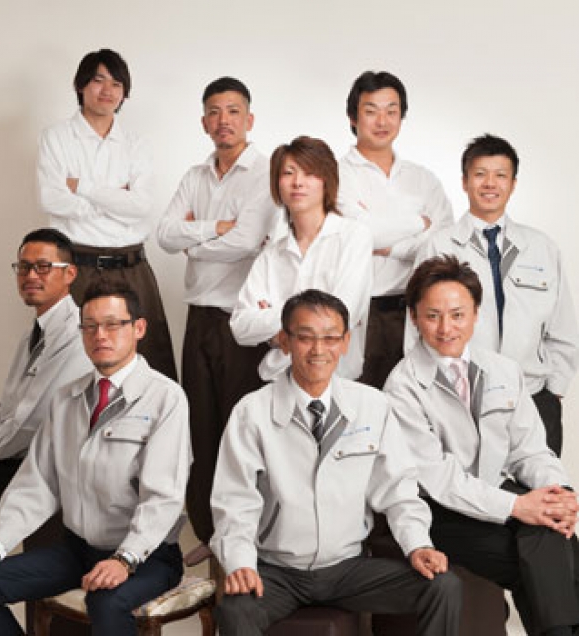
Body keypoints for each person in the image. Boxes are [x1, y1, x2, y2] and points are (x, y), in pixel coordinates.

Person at [211, 289, 461, 636]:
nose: (318, 349)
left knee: (442, 586)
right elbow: (234, 502)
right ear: (284, 341)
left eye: (330, 338)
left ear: (345, 343)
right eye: (305, 337)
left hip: (348, 569)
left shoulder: (372, 405)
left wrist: (418, 544)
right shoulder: (251, 412)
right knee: (235, 610)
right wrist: (240, 564)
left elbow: (398, 491)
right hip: (278, 572)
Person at [0, 280, 191, 635]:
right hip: (79, 550)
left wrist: (125, 559)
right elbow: (36, 484)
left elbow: (163, 497)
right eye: (89, 326)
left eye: (112, 324)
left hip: (147, 555)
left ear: (138, 328)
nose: (100, 335)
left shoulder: (165, 398)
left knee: (106, 602)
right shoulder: (66, 399)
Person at [386, 255, 579, 636]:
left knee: (547, 534)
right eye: (432, 316)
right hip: (443, 512)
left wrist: (560, 493)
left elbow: (530, 450)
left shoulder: (504, 370)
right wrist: (520, 506)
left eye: (457, 315)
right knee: (549, 554)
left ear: (476, 314)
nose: (446, 328)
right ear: (413, 317)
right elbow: (440, 479)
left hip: (501, 495)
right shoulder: (402, 387)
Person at [158, 76, 277, 553]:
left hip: (241, 320)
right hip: (199, 317)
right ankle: (209, 533)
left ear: (249, 119)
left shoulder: (266, 172)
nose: (223, 120)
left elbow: (246, 242)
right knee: (201, 425)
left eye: (232, 111)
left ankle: (247, 535)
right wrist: (216, 229)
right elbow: (165, 235)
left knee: (240, 428)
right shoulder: (195, 176)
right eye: (214, 111)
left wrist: (195, 241)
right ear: (204, 122)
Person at [410, 134, 579, 455]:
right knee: (463, 486)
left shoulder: (542, 248)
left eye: (500, 175)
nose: (490, 183)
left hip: (533, 399)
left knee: (541, 485)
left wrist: (554, 393)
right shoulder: (438, 246)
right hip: (461, 403)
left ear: (513, 184)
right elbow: (416, 331)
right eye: (480, 174)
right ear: (464, 182)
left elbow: (563, 329)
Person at [37, 48, 177, 381]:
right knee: (69, 367)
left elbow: (141, 206)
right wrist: (117, 199)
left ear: (124, 93)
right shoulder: (57, 138)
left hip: (132, 266)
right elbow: (52, 199)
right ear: (81, 85)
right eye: (98, 80)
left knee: (149, 367)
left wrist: (82, 187)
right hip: (77, 267)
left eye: (116, 84)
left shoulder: (136, 144)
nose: (107, 90)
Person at [338, 70, 453, 389]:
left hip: (417, 307)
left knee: (416, 399)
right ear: (353, 117)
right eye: (371, 111)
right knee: (363, 398)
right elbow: (359, 234)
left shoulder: (423, 178)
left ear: (402, 116)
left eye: (391, 111)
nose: (382, 121)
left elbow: (444, 241)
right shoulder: (337, 175)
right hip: (364, 309)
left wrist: (389, 246)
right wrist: (418, 223)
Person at [231, 135, 373, 382]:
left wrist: (279, 327)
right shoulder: (272, 253)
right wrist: (304, 319)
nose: (297, 182)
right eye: (288, 173)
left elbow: (342, 315)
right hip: (277, 380)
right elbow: (240, 326)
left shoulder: (353, 237)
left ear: (327, 181)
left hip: (337, 381)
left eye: (309, 173)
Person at [0, 228, 90, 535]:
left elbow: (29, 422)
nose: (30, 275)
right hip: (19, 455)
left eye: (43, 267)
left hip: (48, 468)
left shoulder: (78, 335)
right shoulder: (33, 334)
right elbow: (5, 408)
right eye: (24, 267)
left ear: (70, 274)